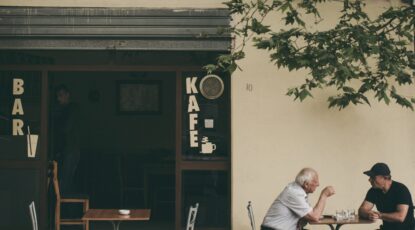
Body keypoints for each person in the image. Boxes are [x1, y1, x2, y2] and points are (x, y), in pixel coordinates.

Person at [261, 168, 335, 230]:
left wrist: (314, 215)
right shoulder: (294, 193)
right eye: (315, 181)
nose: (318, 184)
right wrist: (324, 195)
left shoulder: (299, 191)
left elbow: (310, 215)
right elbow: (314, 217)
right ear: (306, 184)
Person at [358, 162, 414, 230]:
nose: (369, 180)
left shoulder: (401, 190)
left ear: (384, 177)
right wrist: (369, 214)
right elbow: (361, 210)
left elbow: (400, 217)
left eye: (373, 177)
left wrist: (379, 215)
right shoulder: (373, 191)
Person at [52, 84, 81, 195]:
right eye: (57, 96)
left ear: (67, 95)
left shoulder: (72, 109)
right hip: (68, 150)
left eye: (61, 95)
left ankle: (64, 209)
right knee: (65, 180)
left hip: (70, 150)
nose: (58, 99)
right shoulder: (66, 110)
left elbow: (66, 128)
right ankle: (66, 209)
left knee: (65, 181)